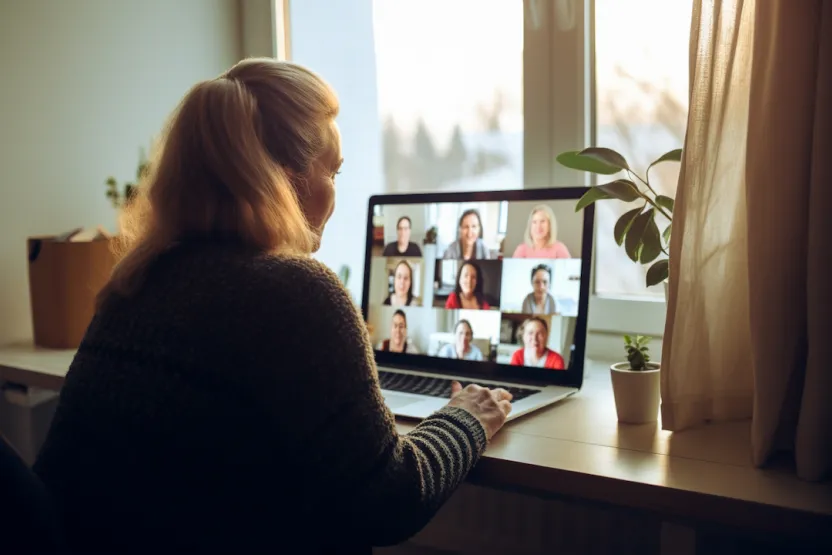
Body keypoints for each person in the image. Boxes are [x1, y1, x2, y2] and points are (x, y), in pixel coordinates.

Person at [32, 58, 513, 555]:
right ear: (286, 177)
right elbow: (389, 500)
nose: (334, 194)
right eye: (334, 172)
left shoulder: (135, 282)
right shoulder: (297, 293)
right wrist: (465, 416)